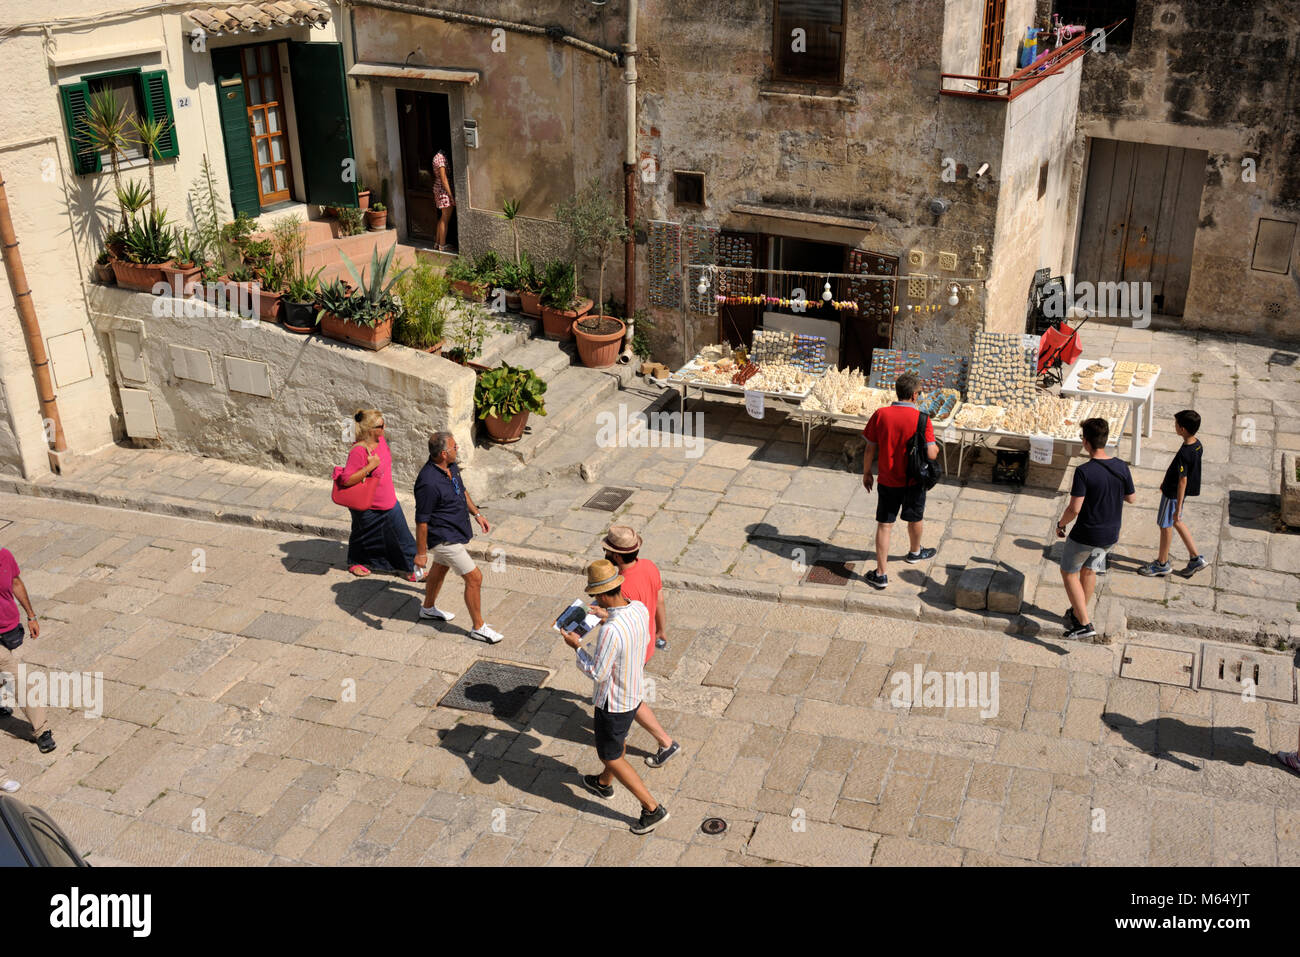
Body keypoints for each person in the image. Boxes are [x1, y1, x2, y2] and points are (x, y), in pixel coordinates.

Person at [561, 559, 669, 835]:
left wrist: (577, 647)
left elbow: (597, 672)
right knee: (615, 743)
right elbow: (641, 639)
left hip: (613, 701)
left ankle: (652, 808)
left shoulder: (610, 631)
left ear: (601, 594)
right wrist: (606, 615)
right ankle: (603, 783)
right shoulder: (640, 609)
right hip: (633, 691)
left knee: (610, 755)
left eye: (594, 596)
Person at [601, 525, 680, 768]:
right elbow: (660, 601)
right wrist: (661, 630)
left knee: (630, 699)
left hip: (629, 651)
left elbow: (616, 622)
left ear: (615, 555)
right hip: (645, 644)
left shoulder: (620, 586)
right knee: (629, 694)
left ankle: (666, 742)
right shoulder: (649, 566)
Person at [413, 431, 503, 644]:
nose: (458, 449)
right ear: (444, 453)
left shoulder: (450, 467)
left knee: (440, 568)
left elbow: (461, 491)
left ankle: (427, 608)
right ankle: (478, 627)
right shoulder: (428, 482)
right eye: (454, 447)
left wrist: (477, 514)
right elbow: (422, 521)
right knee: (474, 577)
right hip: (443, 537)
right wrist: (421, 554)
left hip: (454, 530)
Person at [1057, 417, 1136, 639]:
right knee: (1090, 570)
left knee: (1069, 573)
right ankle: (1078, 610)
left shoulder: (1084, 471)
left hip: (1086, 534)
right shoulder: (1121, 466)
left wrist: (1061, 524)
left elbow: (1074, 508)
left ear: (1086, 443)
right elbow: (1131, 498)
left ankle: (1084, 623)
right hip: (1110, 535)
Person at [861, 372, 939, 589]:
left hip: (887, 480)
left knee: (885, 525)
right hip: (913, 481)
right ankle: (915, 552)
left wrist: (867, 472)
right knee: (915, 518)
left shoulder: (881, 414)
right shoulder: (923, 419)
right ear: (914, 395)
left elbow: (869, 448)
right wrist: (937, 448)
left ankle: (881, 573)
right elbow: (931, 454)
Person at [341, 409, 423, 581]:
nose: (385, 426)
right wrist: (369, 468)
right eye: (381, 425)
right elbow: (346, 480)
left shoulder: (381, 440)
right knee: (364, 535)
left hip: (388, 500)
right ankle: (411, 569)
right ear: (371, 430)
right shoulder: (358, 451)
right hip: (367, 504)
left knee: (398, 535)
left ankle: (409, 567)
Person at [0, 545, 56, 762]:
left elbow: (15, 583)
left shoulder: (4, 555)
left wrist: (31, 616)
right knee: (18, 678)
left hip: (8, 628)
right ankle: (42, 731)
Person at [1139, 410, 1207, 578]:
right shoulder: (1197, 444)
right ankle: (1195, 558)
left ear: (1182, 429)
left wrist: (1177, 504)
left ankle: (1162, 563)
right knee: (1176, 522)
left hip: (1172, 495)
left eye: (1176, 424)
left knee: (1165, 525)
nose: (1174, 426)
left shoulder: (1185, 452)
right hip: (1177, 495)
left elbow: (1182, 480)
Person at [432, 150, 455, 252]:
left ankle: (437, 243)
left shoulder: (437, 156)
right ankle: (442, 245)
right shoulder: (441, 158)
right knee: (445, 218)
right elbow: (444, 178)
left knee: (442, 217)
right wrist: (451, 196)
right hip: (443, 190)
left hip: (439, 189)